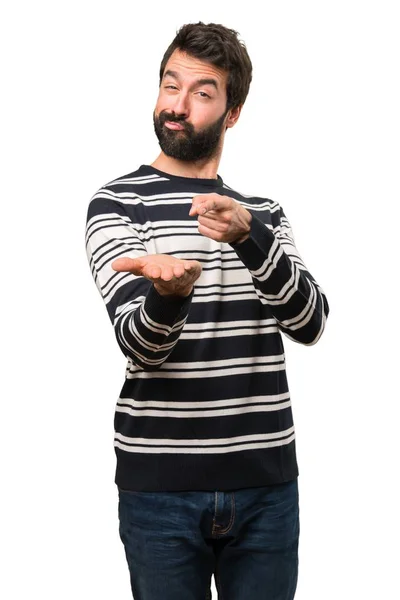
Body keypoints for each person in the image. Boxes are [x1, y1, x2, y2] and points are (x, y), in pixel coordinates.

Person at [85, 21, 329, 600]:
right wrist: (169, 294)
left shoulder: (262, 213)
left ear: (232, 112)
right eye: (171, 86)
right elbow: (141, 346)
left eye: (201, 93)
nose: (178, 106)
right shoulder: (117, 204)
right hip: (159, 493)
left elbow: (311, 322)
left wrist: (251, 239)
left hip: (267, 489)